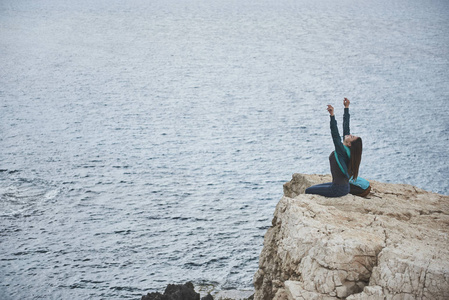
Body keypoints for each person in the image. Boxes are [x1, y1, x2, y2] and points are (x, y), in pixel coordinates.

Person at [305, 98, 363, 197]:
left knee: (308, 190)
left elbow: (335, 135)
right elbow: (346, 126)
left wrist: (332, 116)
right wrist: (346, 108)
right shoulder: (347, 150)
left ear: (350, 144)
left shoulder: (342, 150)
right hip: (342, 187)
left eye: (352, 137)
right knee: (314, 187)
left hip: (338, 189)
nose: (350, 134)